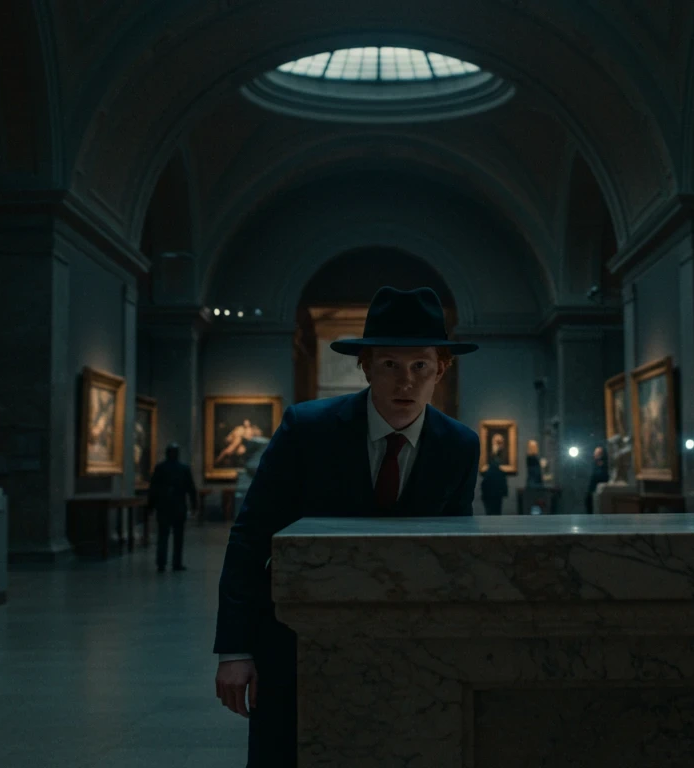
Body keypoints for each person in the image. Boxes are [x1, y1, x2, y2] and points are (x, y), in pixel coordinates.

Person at [213, 286, 480, 767]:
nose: (405, 381)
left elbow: (452, 551)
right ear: (365, 367)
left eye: (420, 366)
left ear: (442, 368)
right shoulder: (307, 429)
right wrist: (235, 648)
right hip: (298, 638)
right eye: (389, 365)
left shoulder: (458, 444)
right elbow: (252, 536)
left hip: (405, 643)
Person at [148, 442, 197, 572]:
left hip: (163, 507)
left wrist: (150, 506)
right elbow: (191, 489)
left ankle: (161, 563)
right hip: (179, 507)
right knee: (178, 537)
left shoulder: (160, 468)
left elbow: (153, 489)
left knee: (162, 535)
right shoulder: (184, 469)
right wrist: (194, 506)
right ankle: (177, 563)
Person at [583, 445, 608, 514]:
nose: (595, 455)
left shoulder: (604, 467)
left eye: (598, 453)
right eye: (595, 453)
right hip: (592, 493)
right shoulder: (594, 465)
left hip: (600, 493)